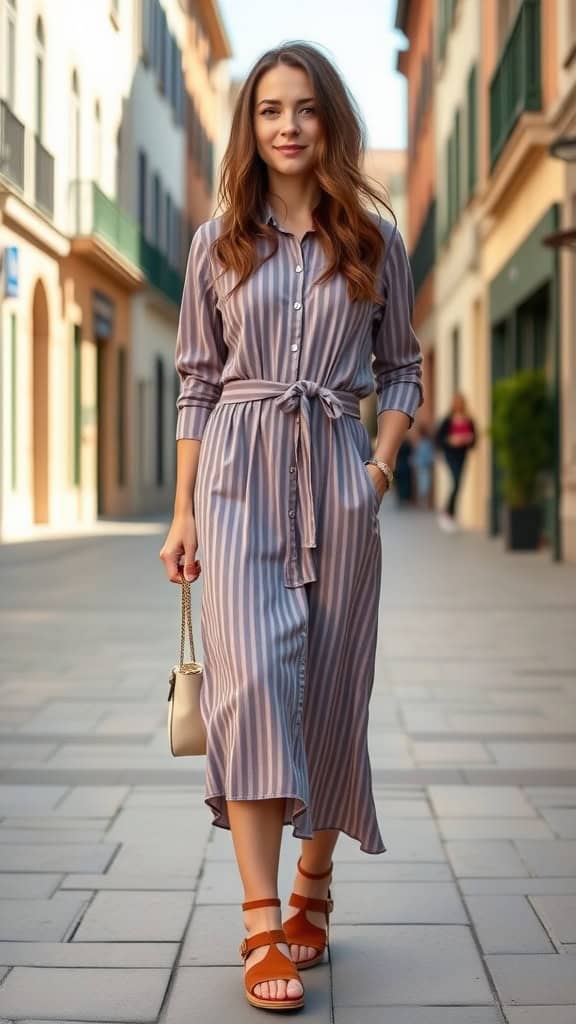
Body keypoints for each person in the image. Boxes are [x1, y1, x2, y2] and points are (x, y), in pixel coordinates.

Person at [159, 41, 423, 1013]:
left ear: (329, 122)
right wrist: (182, 510)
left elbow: (402, 368)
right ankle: (261, 918)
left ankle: (316, 883)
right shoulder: (214, 241)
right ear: (251, 126)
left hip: (337, 475)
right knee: (256, 685)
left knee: (331, 687)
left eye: (305, 108)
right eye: (270, 108)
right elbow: (195, 380)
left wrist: (381, 463)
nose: (287, 125)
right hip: (234, 473)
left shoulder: (374, 239)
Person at [434, 393, 476, 531]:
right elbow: (439, 439)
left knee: (459, 484)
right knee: (456, 481)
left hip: (462, 455)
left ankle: (450, 515)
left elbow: (474, 440)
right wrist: (451, 440)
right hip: (450, 454)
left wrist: (468, 439)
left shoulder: (469, 420)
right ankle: (447, 513)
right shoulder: (447, 420)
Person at [410, 423, 435, 508]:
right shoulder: (424, 443)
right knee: (424, 484)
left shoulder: (422, 443)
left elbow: (419, 455)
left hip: (423, 465)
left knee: (423, 484)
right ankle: (423, 502)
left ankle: (423, 502)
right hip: (423, 465)